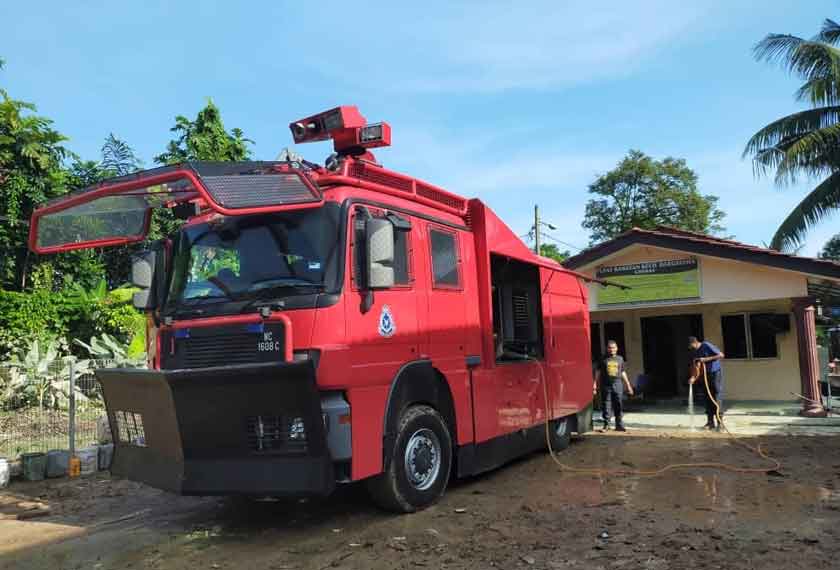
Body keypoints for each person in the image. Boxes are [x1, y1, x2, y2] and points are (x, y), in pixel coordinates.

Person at [594, 340, 634, 431]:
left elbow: (623, 372)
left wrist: (628, 385)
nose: (612, 350)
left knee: (618, 404)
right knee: (606, 405)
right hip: (606, 385)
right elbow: (598, 372)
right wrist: (594, 384)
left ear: (617, 348)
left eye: (613, 348)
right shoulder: (602, 359)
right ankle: (606, 425)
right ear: (607, 349)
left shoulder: (620, 359)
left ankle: (619, 425)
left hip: (618, 385)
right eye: (610, 348)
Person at [687, 336, 725, 431]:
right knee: (707, 397)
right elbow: (696, 366)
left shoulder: (706, 345)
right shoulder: (695, 352)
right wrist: (693, 377)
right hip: (705, 375)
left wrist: (706, 359)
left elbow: (721, 355)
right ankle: (710, 422)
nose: (692, 349)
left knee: (716, 396)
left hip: (715, 373)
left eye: (692, 346)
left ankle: (720, 423)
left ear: (695, 342)